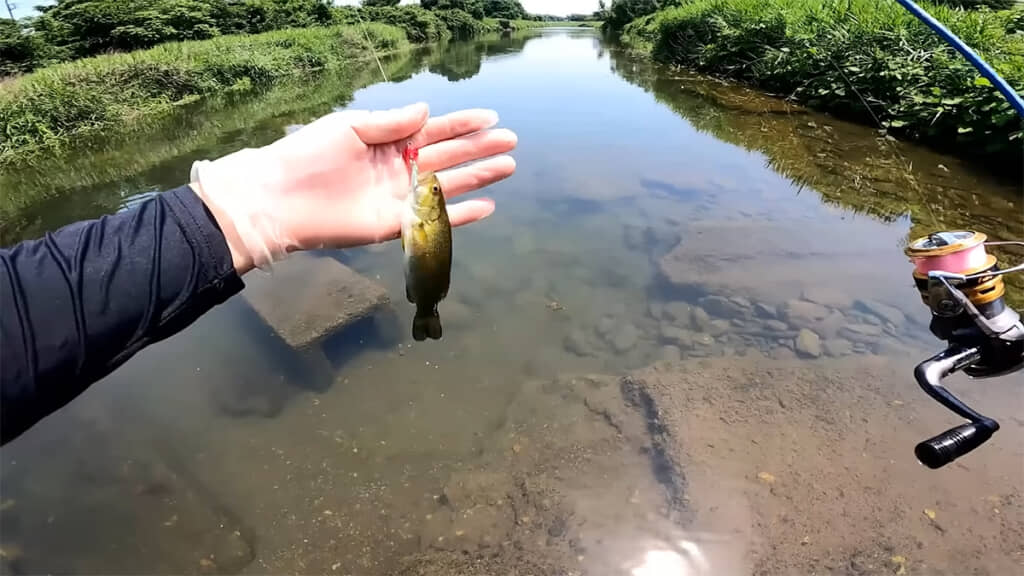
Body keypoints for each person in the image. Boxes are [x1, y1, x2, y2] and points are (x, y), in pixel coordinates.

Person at [0, 103, 518, 446]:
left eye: (431, 196)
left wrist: (240, 211)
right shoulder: (421, 210)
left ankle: (427, 307)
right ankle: (425, 309)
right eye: (432, 195)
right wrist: (249, 210)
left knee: (427, 286)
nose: (429, 191)